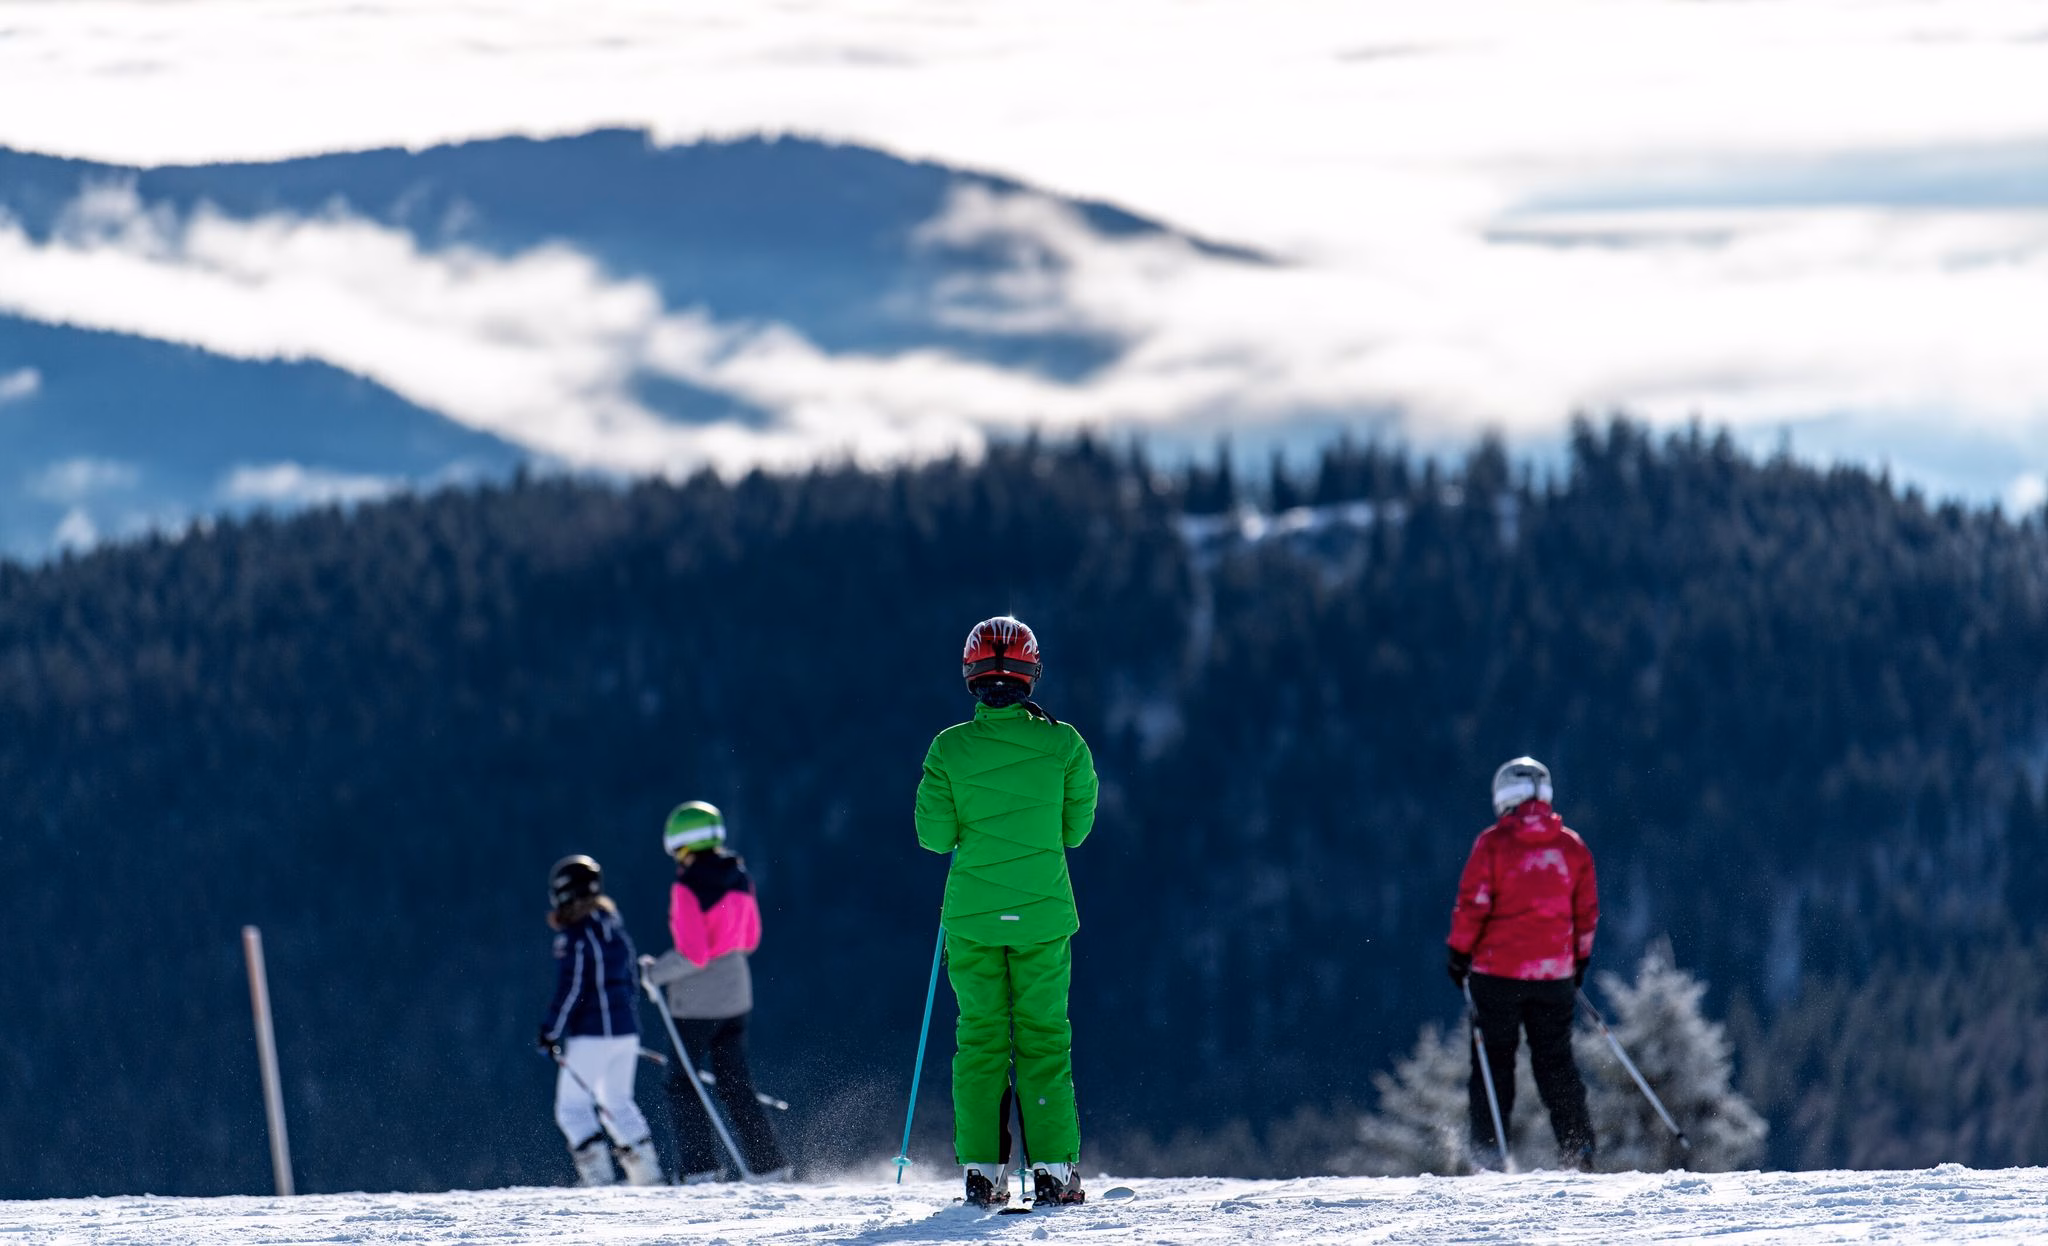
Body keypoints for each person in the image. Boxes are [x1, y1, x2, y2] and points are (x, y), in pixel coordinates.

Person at [914, 616, 1098, 1209]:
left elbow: (934, 838)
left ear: (970, 675)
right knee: (1045, 1037)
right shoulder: (1065, 744)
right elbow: (1076, 830)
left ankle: (982, 1172)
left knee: (981, 1041)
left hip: (971, 919)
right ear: (1031, 674)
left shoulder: (948, 748)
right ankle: (1053, 1169)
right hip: (1043, 916)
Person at [1445, 757, 1600, 1171]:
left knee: (1494, 1060)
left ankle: (1489, 1153)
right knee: (1555, 1061)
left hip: (1496, 974)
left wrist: (1459, 954)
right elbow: (1586, 913)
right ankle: (1578, 1150)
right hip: (1554, 975)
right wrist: (1578, 961)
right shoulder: (1571, 846)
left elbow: (1472, 905)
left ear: (1505, 796)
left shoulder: (1493, 844)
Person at [640, 801, 792, 1183]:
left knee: (683, 1082)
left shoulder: (687, 884)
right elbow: (751, 938)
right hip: (737, 991)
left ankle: (700, 1170)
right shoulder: (739, 874)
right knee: (735, 1083)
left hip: (698, 998)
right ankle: (769, 1165)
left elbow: (693, 952)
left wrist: (655, 973)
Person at [538, 854, 663, 1187]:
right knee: (617, 1101)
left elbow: (572, 987)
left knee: (572, 1109)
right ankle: (648, 1177)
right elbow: (630, 979)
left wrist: (549, 1031)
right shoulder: (613, 927)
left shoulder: (575, 936)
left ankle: (599, 1181)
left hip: (591, 1035)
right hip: (624, 1032)